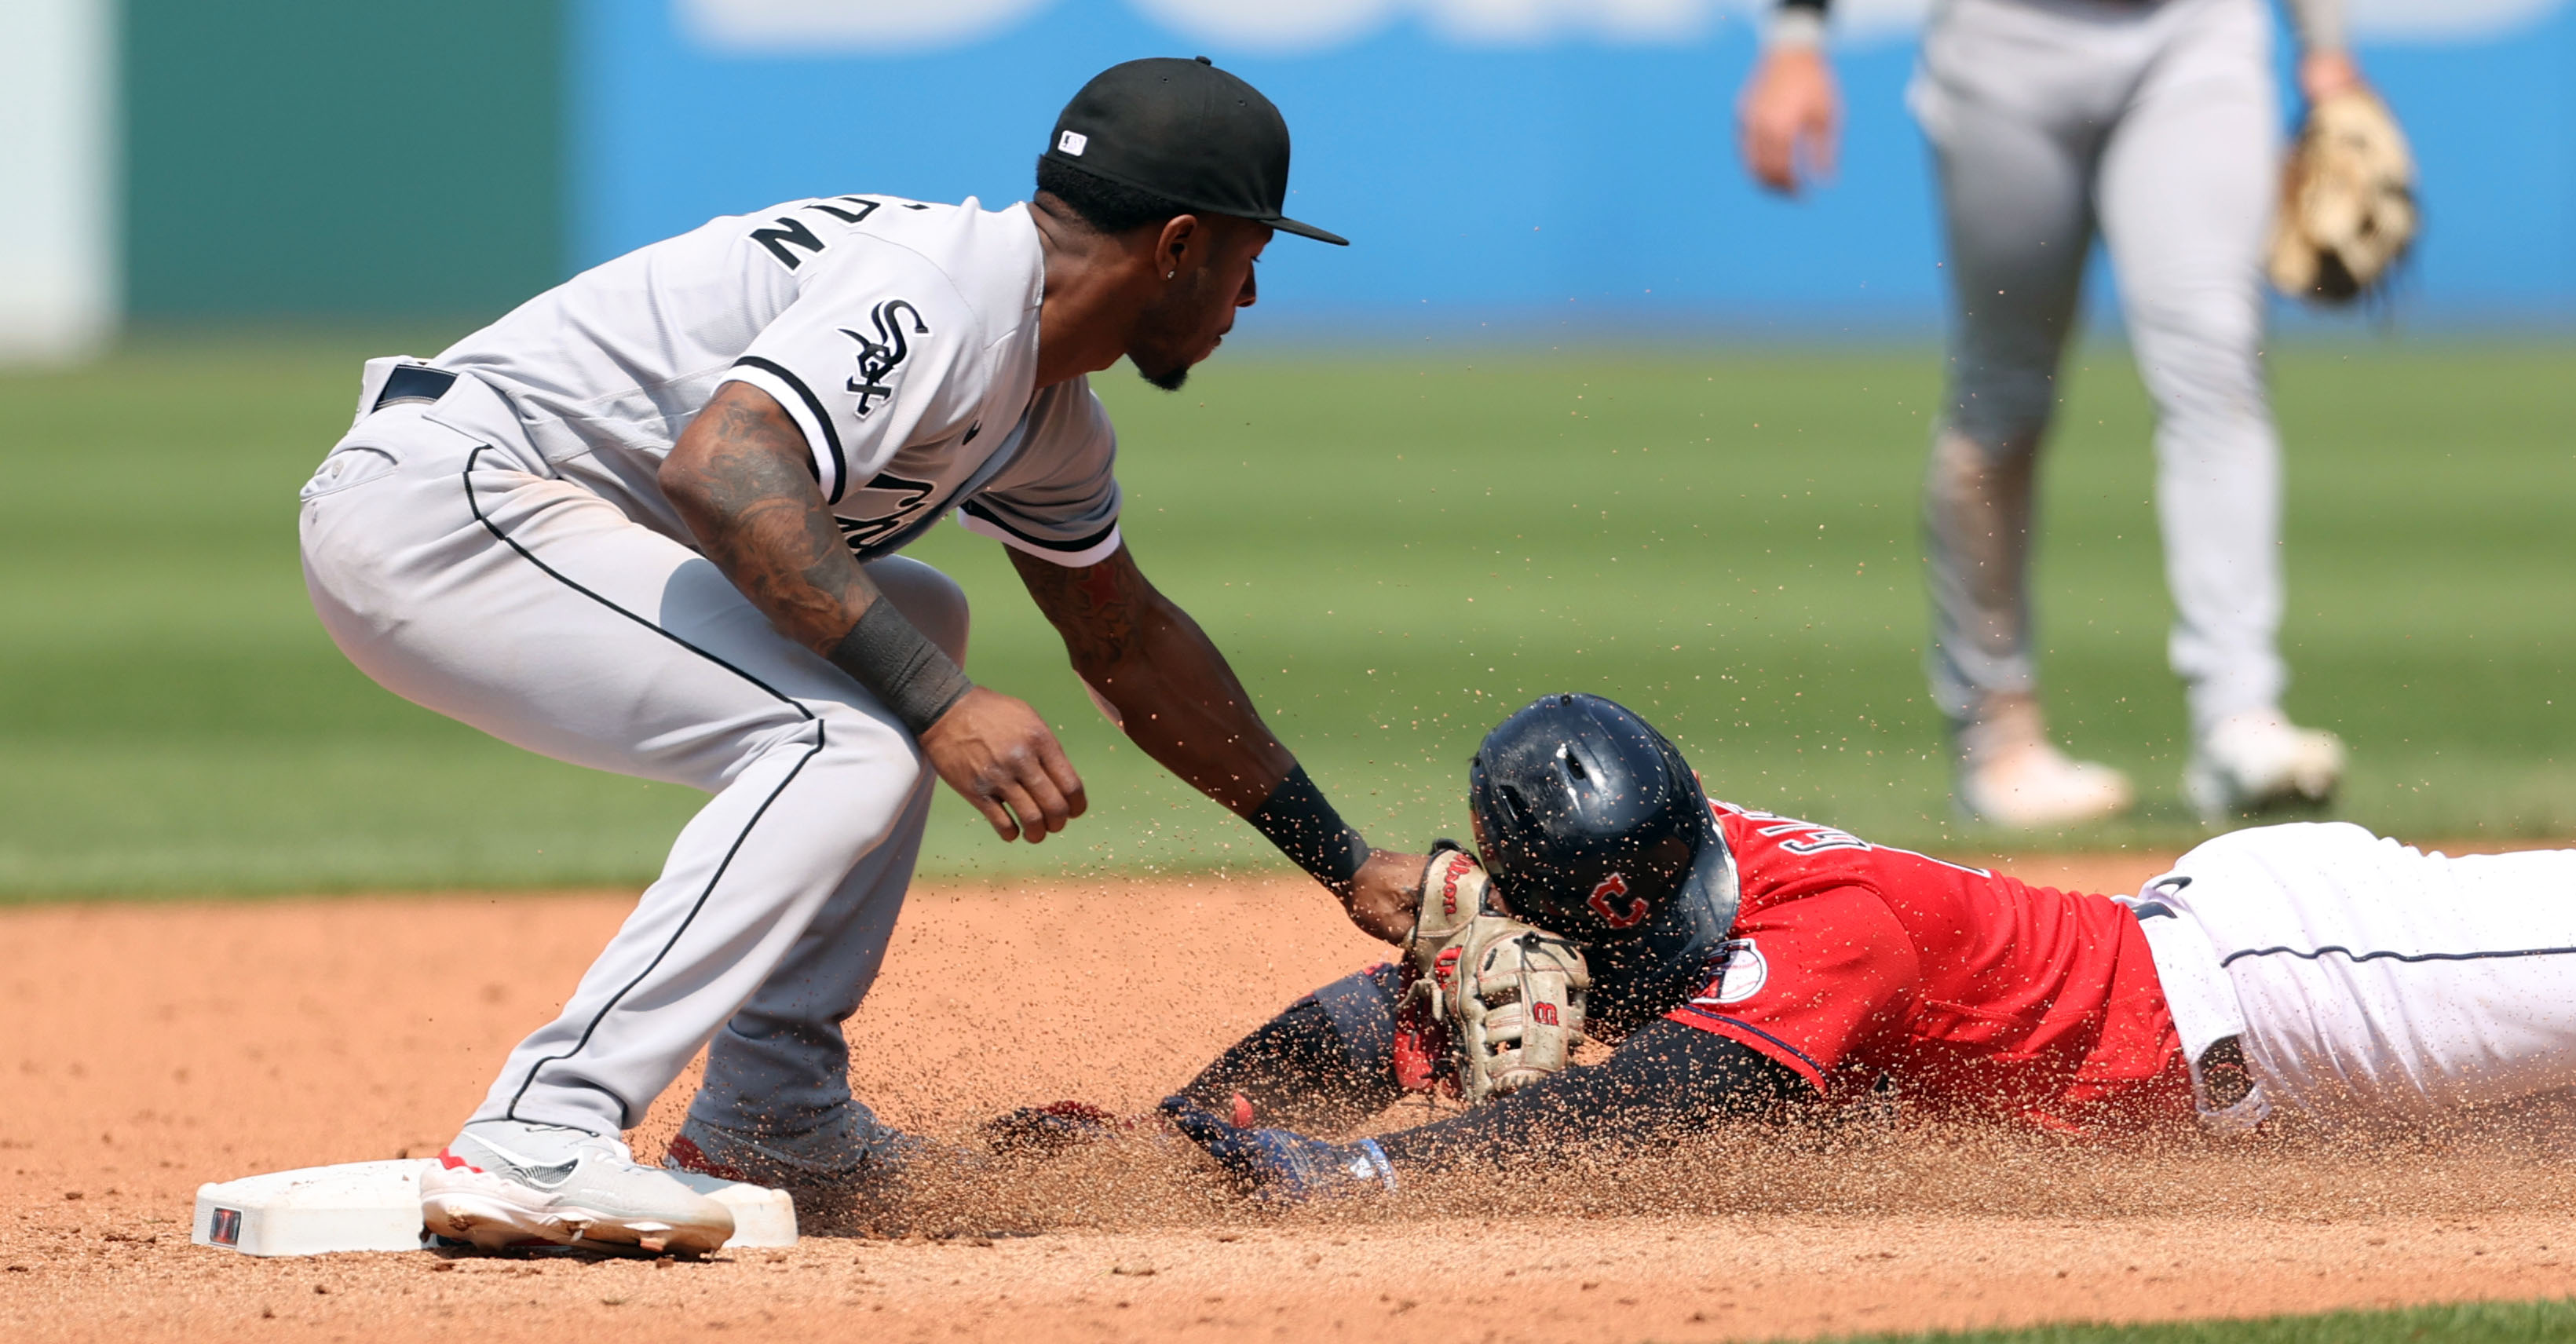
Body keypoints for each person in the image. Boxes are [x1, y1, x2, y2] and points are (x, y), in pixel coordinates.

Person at [298, 57, 1427, 1253]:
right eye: (1251, 260)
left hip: (538, 513)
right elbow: (722, 467)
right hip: (446, 502)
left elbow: (1126, 639)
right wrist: (941, 707)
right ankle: (540, 1130)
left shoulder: (1042, 408)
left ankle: (772, 1119)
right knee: (843, 739)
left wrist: (1345, 861)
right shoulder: (947, 290)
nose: (1247, 302)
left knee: (919, 614)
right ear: (1181, 244)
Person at [1115, 695, 2576, 1201]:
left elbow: (1665, 1098)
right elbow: (1395, 1008)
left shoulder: (1825, 930)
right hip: (2281, 1070)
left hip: (2302, 986)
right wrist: (1184, 1134)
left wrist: (1375, 1172)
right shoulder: (1624, 884)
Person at [1734, 0, 2362, 825]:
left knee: (2214, 358)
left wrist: (2324, 47)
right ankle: (1996, 738)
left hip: (2194, 31)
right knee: (2001, 397)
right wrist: (1796, 38)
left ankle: (2237, 715)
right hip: (2003, 42)